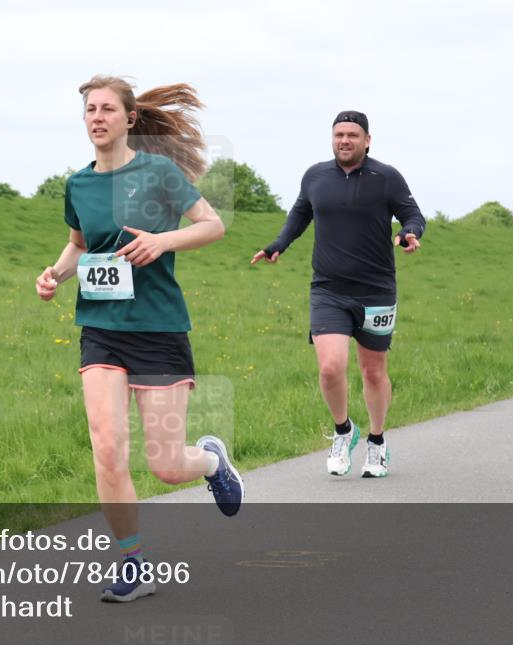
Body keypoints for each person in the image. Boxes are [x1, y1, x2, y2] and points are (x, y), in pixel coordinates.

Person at [35, 75, 244, 603]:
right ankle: (133, 563)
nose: (97, 117)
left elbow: (212, 225)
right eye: (89, 109)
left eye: (107, 109)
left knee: (166, 465)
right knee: (107, 450)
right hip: (102, 330)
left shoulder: (159, 172)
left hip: (158, 328)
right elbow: (79, 244)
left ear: (130, 119)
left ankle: (213, 462)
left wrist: (161, 241)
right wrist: (56, 275)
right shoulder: (78, 184)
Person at [251, 110, 425, 479]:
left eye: (352, 135)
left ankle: (377, 442)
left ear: (367, 140)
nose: (344, 140)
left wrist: (409, 233)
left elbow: (413, 215)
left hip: (377, 290)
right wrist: (277, 245)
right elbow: (299, 216)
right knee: (330, 367)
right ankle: (344, 431)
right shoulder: (315, 176)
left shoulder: (386, 177)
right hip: (328, 289)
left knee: (373, 371)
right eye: (338, 134)